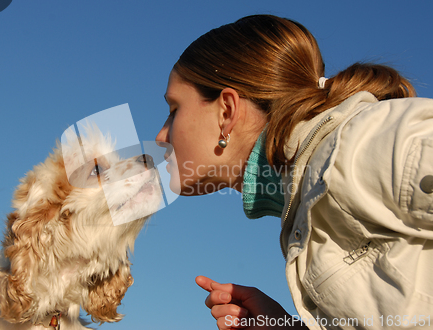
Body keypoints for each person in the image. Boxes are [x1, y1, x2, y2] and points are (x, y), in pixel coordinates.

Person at [155, 14, 433, 330]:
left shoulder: (360, 145)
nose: (161, 136)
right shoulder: (302, 199)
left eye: (174, 109)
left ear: (227, 112)